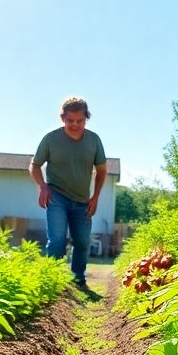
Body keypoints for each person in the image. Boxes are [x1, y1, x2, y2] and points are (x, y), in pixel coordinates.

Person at [30, 96, 107, 290]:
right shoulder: (51, 139)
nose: (74, 125)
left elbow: (102, 170)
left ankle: (78, 278)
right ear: (62, 118)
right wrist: (43, 186)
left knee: (81, 241)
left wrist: (95, 196)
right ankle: (51, 279)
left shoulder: (94, 140)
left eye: (79, 121)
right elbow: (35, 165)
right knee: (56, 239)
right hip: (57, 196)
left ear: (86, 118)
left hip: (82, 200)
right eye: (69, 120)